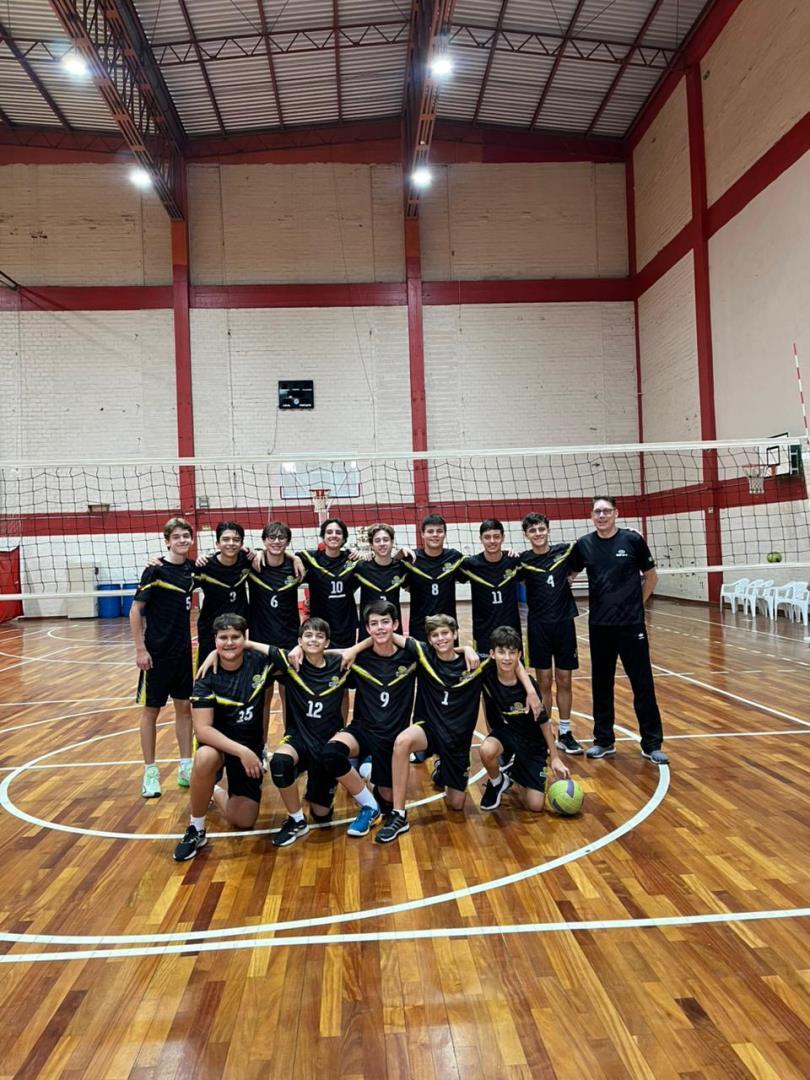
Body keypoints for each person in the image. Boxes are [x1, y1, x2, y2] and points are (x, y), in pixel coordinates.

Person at [374, 614, 539, 845]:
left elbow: (511, 660)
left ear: (455, 634)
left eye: (445, 633)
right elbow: (386, 634)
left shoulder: (476, 664)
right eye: (435, 635)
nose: (441, 639)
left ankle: (444, 768)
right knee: (402, 741)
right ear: (429, 639)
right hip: (429, 730)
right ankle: (399, 814)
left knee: (456, 804)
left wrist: (530, 691)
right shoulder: (424, 654)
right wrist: (351, 650)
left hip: (457, 741)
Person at [234, 617, 351, 847]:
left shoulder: (339, 665)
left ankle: (319, 789)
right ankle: (296, 819)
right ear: (299, 640)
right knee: (279, 762)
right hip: (299, 738)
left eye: (319, 636)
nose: (313, 640)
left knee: (322, 814)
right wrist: (241, 644)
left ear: (327, 642)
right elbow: (268, 648)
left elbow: (354, 654)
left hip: (326, 742)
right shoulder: (291, 664)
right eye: (308, 636)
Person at [570, 496, 668, 765]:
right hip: (600, 626)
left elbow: (651, 576)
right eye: (597, 512)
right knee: (601, 684)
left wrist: (638, 604)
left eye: (606, 511)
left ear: (616, 513)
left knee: (642, 684)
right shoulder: (584, 544)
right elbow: (569, 575)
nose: (601, 516)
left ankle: (651, 744)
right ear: (592, 516)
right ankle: (603, 741)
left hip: (631, 625)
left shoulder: (632, 540)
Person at [173, 614, 276, 860]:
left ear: (245, 638)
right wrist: (242, 751)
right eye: (223, 638)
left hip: (249, 745)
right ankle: (196, 829)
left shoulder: (259, 663)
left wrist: (249, 645)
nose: (229, 643)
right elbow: (203, 730)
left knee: (244, 821)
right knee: (205, 757)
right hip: (221, 747)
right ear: (214, 640)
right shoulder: (206, 676)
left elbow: (290, 655)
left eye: (235, 637)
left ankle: (214, 790)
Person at [319, 600, 417, 837]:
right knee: (331, 754)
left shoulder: (411, 657)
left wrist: (465, 650)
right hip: (362, 730)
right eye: (374, 624)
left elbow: (442, 651)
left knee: (389, 801)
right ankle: (369, 805)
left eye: (385, 622)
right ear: (367, 628)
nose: (380, 628)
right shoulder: (359, 658)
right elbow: (325, 655)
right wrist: (300, 649)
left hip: (391, 737)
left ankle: (367, 770)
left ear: (396, 624)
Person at [129, 517, 197, 798]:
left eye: (186, 536)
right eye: (176, 537)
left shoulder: (192, 570)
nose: (182, 540)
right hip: (156, 654)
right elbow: (135, 610)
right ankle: (150, 773)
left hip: (182, 653)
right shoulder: (154, 571)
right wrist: (140, 649)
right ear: (167, 541)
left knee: (185, 709)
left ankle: (186, 767)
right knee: (151, 711)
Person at [478, 625, 570, 812]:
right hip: (509, 734)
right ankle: (498, 781)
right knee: (486, 749)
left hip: (533, 743)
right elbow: (457, 653)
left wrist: (555, 757)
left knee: (535, 806)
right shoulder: (487, 672)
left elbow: (544, 723)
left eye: (512, 653)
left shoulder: (530, 688)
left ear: (519, 655)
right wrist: (465, 648)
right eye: (501, 652)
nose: (507, 658)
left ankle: (516, 770)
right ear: (492, 654)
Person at [519, 512, 583, 756]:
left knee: (564, 680)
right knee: (544, 682)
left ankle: (565, 732)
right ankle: (546, 734)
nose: (538, 534)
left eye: (541, 529)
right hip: (539, 627)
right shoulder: (523, 561)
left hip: (564, 624)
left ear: (548, 529)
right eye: (532, 530)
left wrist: (571, 577)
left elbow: (579, 564)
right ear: (526, 535)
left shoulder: (565, 552)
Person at [458, 518, 522, 652]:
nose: (492, 541)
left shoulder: (513, 561)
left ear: (503, 538)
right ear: (480, 539)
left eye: (496, 537)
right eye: (487, 537)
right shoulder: (471, 564)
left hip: (511, 630)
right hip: (483, 632)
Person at [400, 514, 464, 642]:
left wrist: (504, 553)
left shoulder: (454, 557)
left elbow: (480, 564)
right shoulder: (411, 559)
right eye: (430, 531)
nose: (435, 535)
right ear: (422, 534)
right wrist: (398, 553)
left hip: (447, 627)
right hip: (420, 628)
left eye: (439, 531)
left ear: (445, 534)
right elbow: (388, 567)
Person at [194, 521, 251, 663]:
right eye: (226, 539)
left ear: (241, 544)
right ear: (217, 544)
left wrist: (294, 558)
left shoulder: (247, 561)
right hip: (211, 631)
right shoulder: (204, 566)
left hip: (238, 630)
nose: (231, 543)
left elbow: (270, 554)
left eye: (236, 540)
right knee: (209, 672)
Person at [298, 518, 359, 648]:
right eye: (329, 532)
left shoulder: (352, 560)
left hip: (346, 626)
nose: (334, 535)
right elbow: (287, 558)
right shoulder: (311, 559)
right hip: (320, 627)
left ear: (344, 538)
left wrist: (364, 554)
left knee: (345, 659)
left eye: (338, 532)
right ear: (323, 537)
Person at [353, 524, 407, 625]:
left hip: (393, 628)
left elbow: (411, 588)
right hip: (369, 629)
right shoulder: (361, 567)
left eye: (386, 540)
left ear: (392, 542)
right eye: (377, 541)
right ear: (371, 545)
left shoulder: (401, 567)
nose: (382, 544)